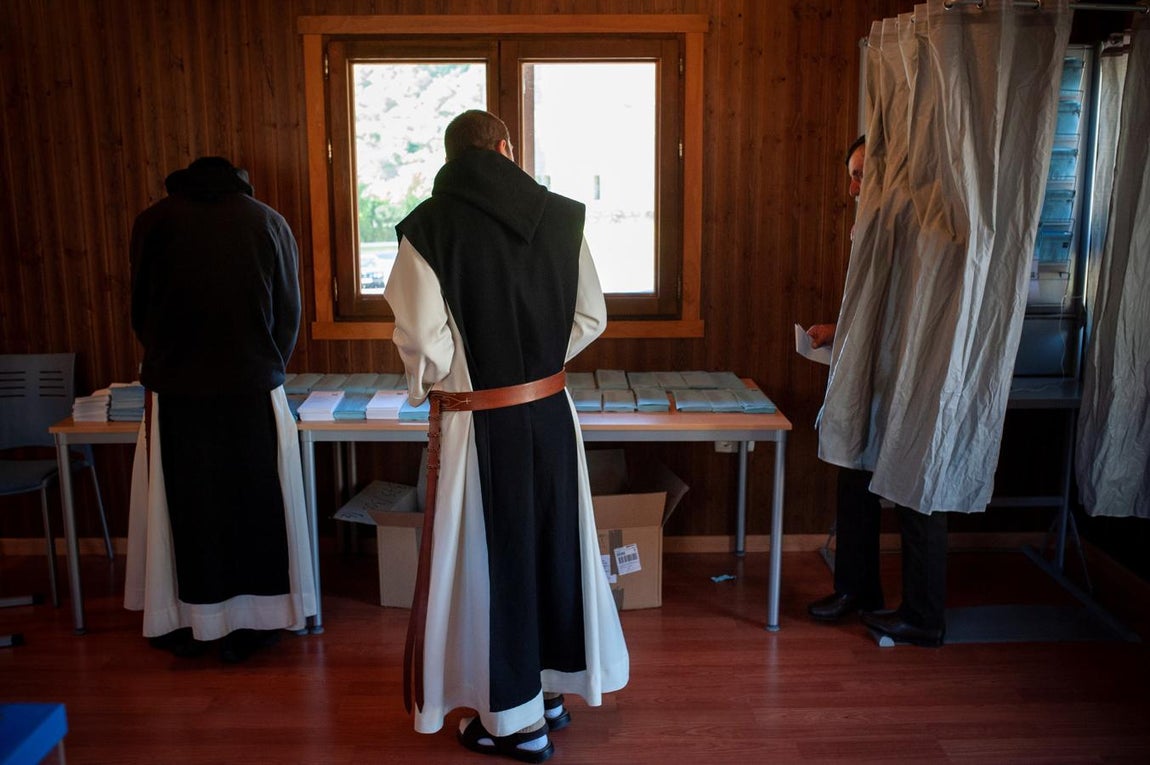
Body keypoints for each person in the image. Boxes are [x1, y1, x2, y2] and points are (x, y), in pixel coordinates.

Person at [384, 110, 628, 763]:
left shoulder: (428, 227)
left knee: (493, 564)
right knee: (549, 547)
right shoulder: (562, 215)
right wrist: (540, 364)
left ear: (451, 155)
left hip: (477, 417)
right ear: (505, 148)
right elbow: (591, 315)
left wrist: (451, 378)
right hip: (549, 411)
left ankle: (516, 723)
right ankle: (546, 691)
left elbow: (422, 340)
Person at [125, 156, 316, 663]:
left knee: (188, 508)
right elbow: (288, 312)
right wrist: (265, 362)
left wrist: (169, 357)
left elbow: (140, 310)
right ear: (241, 184)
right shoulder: (267, 221)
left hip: (176, 388)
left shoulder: (153, 222)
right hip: (252, 384)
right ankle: (262, 620)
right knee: (255, 505)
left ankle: (188, 620)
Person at [806, 136, 948, 647]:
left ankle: (924, 616)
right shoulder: (872, 228)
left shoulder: (925, 225)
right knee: (853, 468)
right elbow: (875, 311)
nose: (852, 187)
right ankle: (857, 589)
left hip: (920, 377)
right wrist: (839, 330)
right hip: (877, 372)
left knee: (916, 486)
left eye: (861, 174)